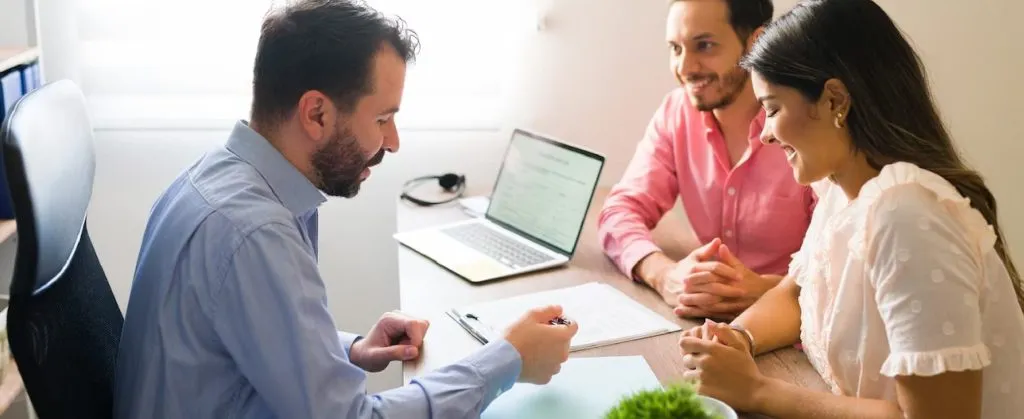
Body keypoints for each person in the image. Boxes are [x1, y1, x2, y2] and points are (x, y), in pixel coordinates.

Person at [113, 1, 578, 418]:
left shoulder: (211, 177)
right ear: (316, 113)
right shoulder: (255, 233)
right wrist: (507, 360)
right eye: (382, 119)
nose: (392, 142)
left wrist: (348, 350)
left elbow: (229, 344)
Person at [677, 0, 1024, 417]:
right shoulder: (842, 191)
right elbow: (797, 294)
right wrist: (736, 338)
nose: (765, 134)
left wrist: (756, 390)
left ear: (834, 100)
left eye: (772, 109)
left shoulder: (909, 217)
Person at [597, 0, 815, 320]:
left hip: (799, 326)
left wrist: (771, 290)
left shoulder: (809, 122)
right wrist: (663, 274)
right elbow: (620, 211)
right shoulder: (677, 112)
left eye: (704, 45)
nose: (685, 68)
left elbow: (848, 264)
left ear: (756, 42)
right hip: (704, 320)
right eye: (676, 48)